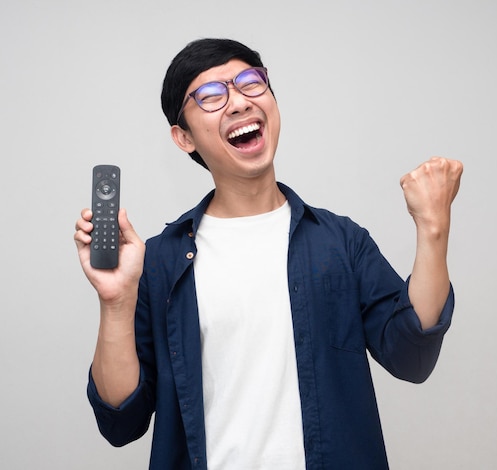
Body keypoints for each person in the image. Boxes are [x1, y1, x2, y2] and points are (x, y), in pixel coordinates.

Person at [74, 38, 463, 470]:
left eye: (250, 83)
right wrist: (115, 302)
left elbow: (413, 356)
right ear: (183, 137)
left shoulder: (340, 242)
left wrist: (433, 228)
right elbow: (120, 422)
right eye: (211, 96)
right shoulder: (159, 262)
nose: (239, 102)